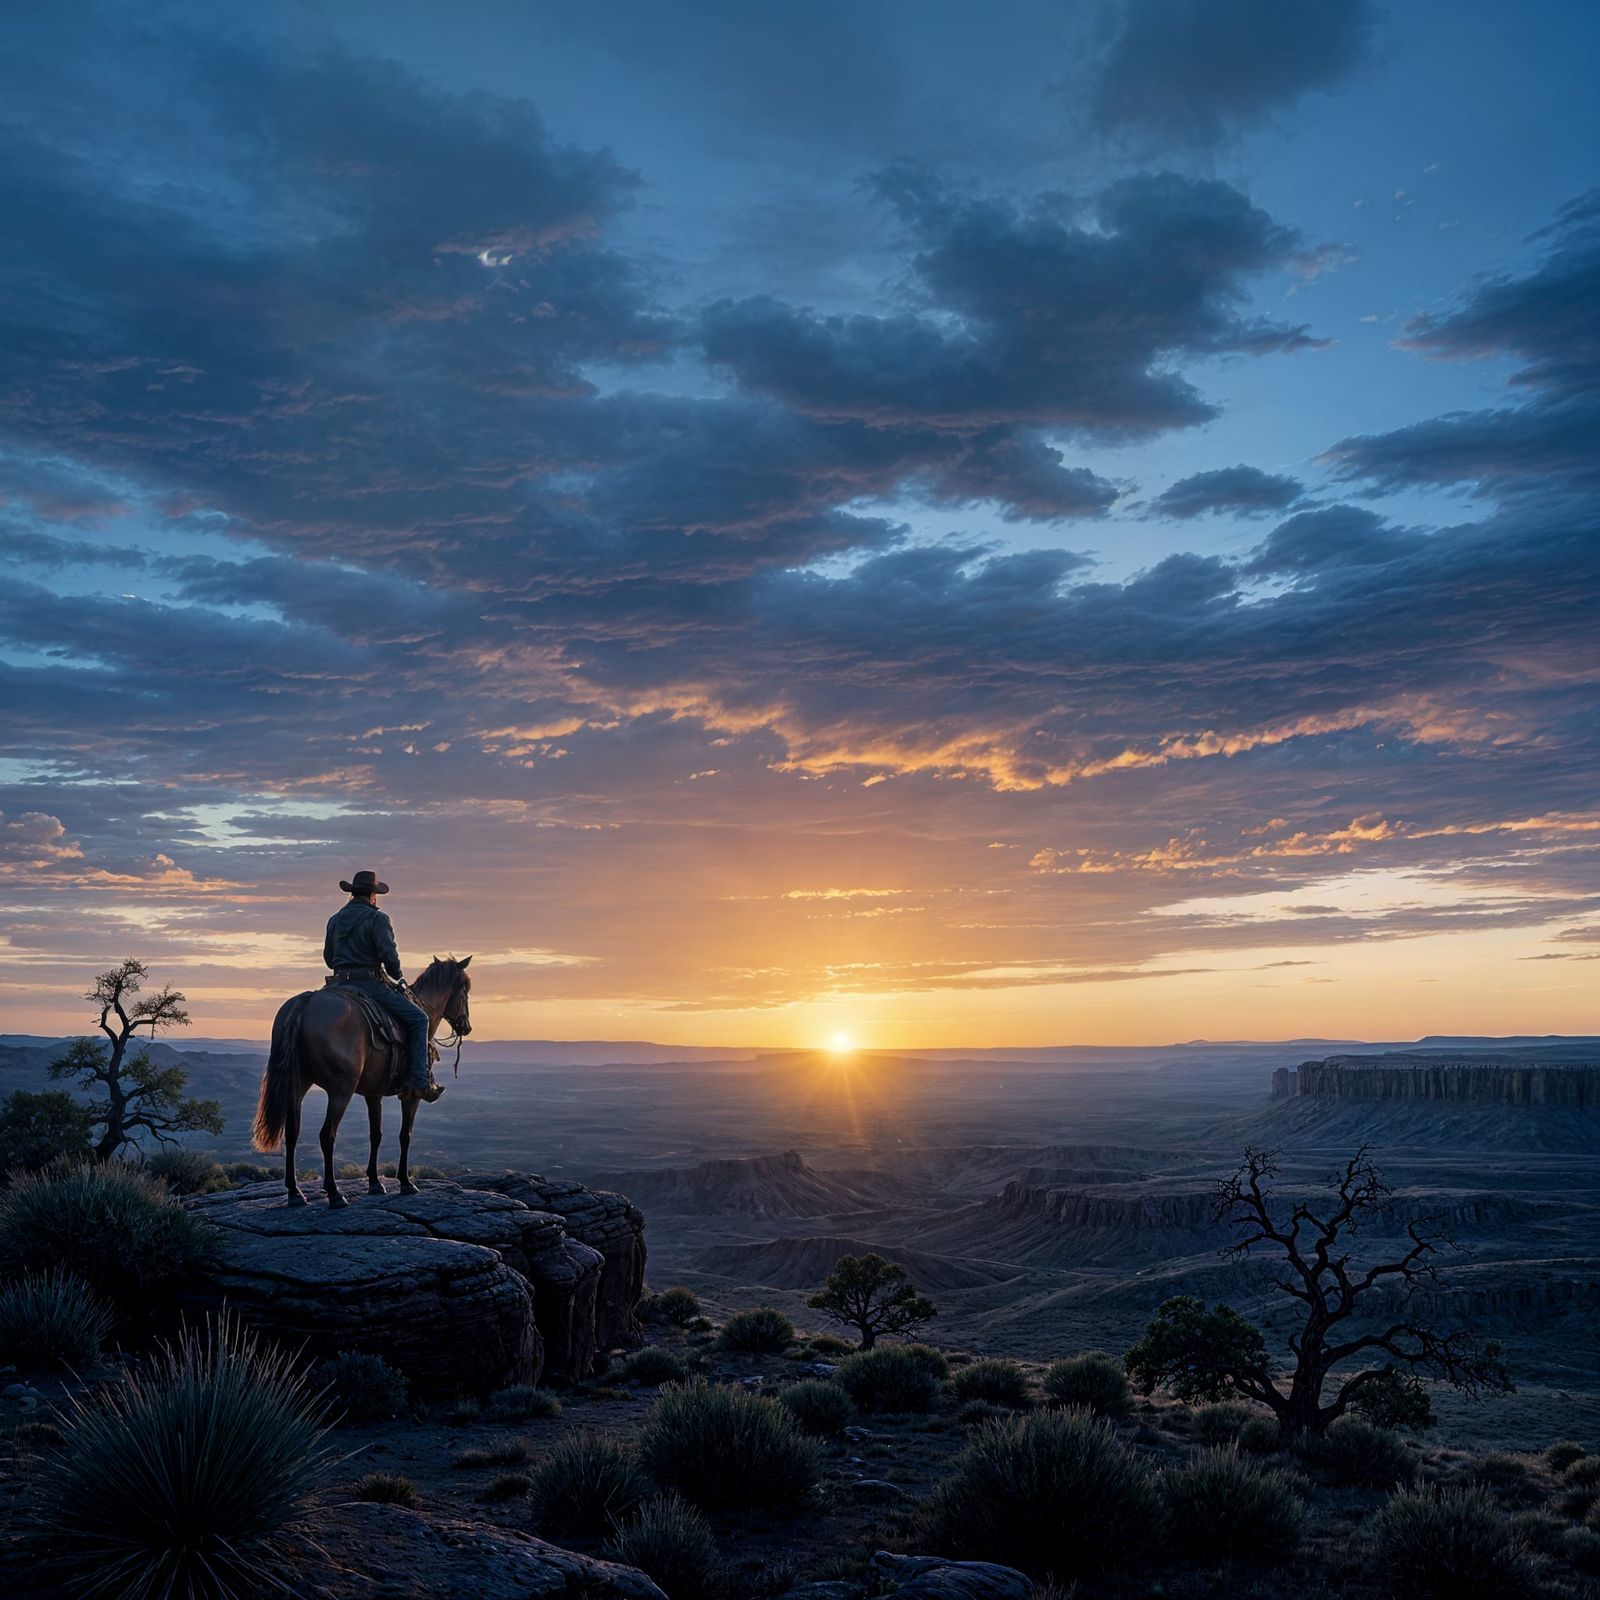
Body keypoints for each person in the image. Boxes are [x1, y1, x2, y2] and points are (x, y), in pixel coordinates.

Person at [324, 869, 443, 1102]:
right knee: (420, 1020)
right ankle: (419, 1082)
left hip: (337, 983)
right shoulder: (378, 919)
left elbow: (329, 959)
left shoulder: (335, 920)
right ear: (372, 895)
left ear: (353, 893)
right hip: (369, 984)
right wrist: (397, 976)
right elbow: (389, 957)